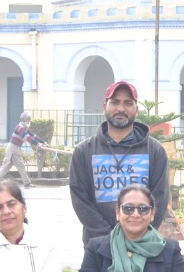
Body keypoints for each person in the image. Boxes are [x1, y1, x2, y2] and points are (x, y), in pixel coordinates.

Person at [69, 80, 169, 243]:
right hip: (98, 244)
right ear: (105, 107)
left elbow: (160, 199)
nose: (121, 108)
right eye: (115, 102)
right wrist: (108, 238)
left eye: (128, 103)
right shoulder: (84, 151)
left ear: (136, 109)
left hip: (142, 244)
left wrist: (137, 235)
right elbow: (80, 200)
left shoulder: (155, 151)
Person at [0, 111, 49, 187]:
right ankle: (27, 183)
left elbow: (33, 136)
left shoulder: (25, 127)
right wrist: (37, 144)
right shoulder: (20, 127)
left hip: (13, 147)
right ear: (25, 119)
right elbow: (28, 137)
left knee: (6, 166)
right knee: (20, 166)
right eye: (28, 119)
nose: (29, 121)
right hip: (14, 148)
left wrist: (43, 142)